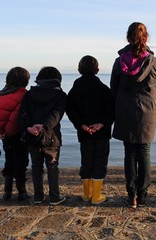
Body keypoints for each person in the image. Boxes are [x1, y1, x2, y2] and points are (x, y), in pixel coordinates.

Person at [110, 22, 156, 208]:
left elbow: (113, 90)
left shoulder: (119, 62)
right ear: (146, 38)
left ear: (127, 38)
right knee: (144, 152)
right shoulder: (154, 62)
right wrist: (152, 105)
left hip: (125, 110)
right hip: (148, 112)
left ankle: (131, 195)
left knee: (130, 153)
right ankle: (142, 195)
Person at [66, 55, 114, 205]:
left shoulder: (75, 89)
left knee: (86, 161)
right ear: (97, 70)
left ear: (79, 69)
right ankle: (96, 196)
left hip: (84, 132)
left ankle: (87, 194)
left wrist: (82, 125)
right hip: (101, 133)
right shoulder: (104, 89)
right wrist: (101, 124)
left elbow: (70, 110)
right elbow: (111, 109)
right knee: (100, 161)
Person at [19, 66, 67, 205]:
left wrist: (29, 127)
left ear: (39, 78)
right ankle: (54, 197)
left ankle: (38, 196)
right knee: (52, 167)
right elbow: (57, 114)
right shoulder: (60, 95)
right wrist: (44, 126)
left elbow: (23, 113)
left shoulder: (29, 94)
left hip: (33, 135)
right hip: (51, 136)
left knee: (36, 166)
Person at [0, 66, 30, 201]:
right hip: (16, 135)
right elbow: (16, 117)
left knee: (9, 161)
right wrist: (8, 131)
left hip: (4, 136)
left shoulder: (1, 94)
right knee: (21, 162)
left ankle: (7, 192)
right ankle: (22, 192)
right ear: (24, 80)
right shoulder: (23, 95)